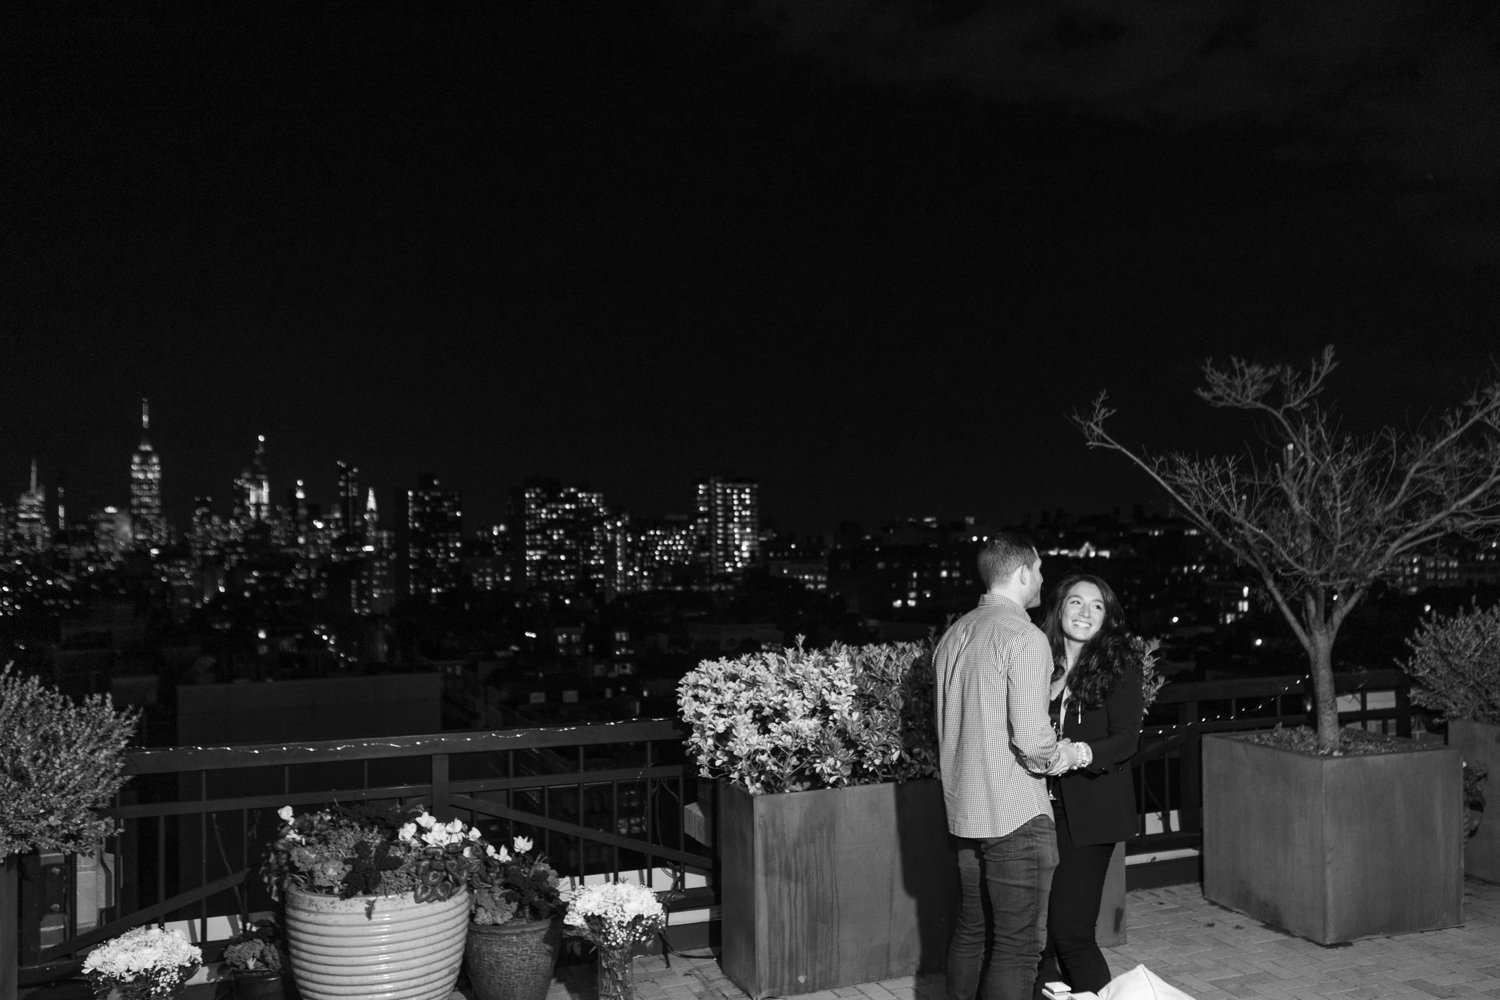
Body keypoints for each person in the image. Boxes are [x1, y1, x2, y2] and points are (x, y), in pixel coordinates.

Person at [934, 533, 1090, 1000]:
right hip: (1015, 815)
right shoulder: (1023, 636)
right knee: (1019, 946)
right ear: (1023, 572)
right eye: (1040, 570)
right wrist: (1065, 754)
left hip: (965, 814)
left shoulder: (955, 633)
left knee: (971, 932)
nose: (1042, 578)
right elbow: (1031, 740)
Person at [1033, 574, 1146, 999]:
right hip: (1035, 810)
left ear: (1107, 616)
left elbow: (1126, 739)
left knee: (1072, 933)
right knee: (1035, 939)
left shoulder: (1120, 664)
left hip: (1090, 812)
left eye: (1096, 606)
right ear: (1059, 607)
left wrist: (1077, 753)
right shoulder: (1038, 660)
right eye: (1076, 602)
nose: (1084, 613)